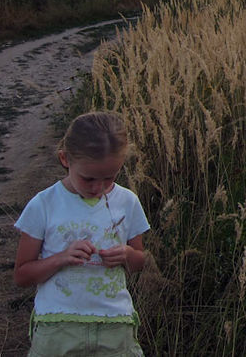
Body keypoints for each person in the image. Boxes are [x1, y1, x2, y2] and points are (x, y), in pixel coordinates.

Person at [14, 111, 150, 356]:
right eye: (88, 179)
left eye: (110, 177)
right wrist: (62, 258)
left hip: (115, 327)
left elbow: (139, 261)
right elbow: (22, 275)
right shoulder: (44, 204)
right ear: (65, 159)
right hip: (57, 329)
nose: (98, 188)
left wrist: (127, 254)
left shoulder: (127, 202)